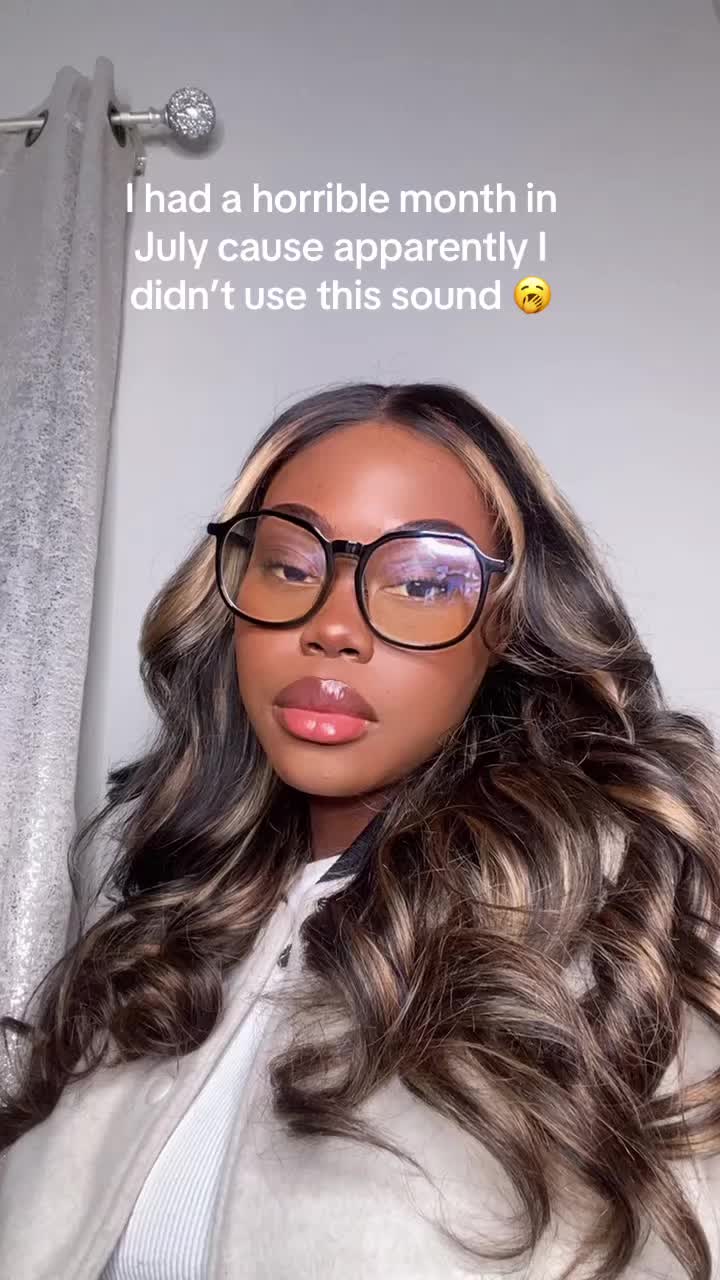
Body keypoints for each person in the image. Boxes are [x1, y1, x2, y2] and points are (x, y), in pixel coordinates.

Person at [1, 381, 719, 1280]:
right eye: (289, 565)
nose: (333, 627)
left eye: (423, 581)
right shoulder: (157, 943)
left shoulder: (608, 940)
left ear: (508, 627)